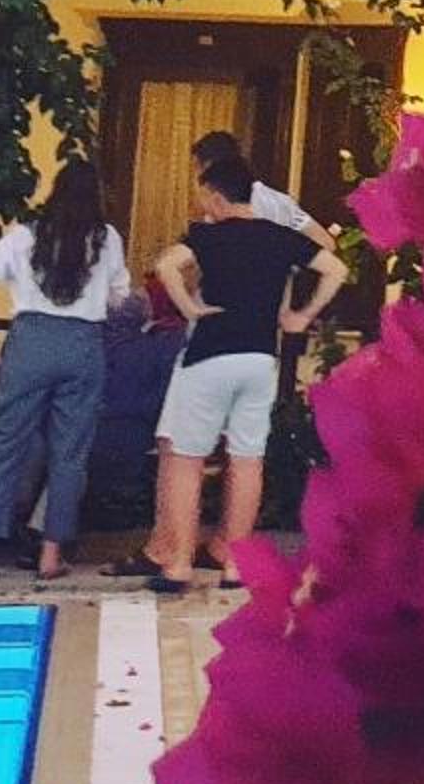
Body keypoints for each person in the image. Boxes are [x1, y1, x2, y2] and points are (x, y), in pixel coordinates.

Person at [144, 150, 344, 595]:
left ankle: (178, 563)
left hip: (210, 354)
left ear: (217, 197)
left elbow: (166, 265)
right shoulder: (279, 237)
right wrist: (300, 315)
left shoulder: (208, 236)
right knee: (247, 458)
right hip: (260, 358)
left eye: (204, 198)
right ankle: (236, 562)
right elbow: (335, 268)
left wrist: (189, 307)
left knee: (187, 459)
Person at [0, 161, 130, 585]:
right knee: (69, 452)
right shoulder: (107, 238)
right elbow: (120, 296)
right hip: (83, 343)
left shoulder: (25, 234)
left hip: (31, 340)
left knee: (4, 444)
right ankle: (51, 555)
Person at [192, 129, 322, 238]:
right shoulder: (280, 201)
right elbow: (322, 240)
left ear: (210, 166)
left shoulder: (219, 205)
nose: (197, 175)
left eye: (198, 167)